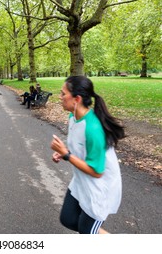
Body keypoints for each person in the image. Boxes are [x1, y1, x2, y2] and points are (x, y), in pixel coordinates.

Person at [50, 75, 125, 234]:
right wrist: (63, 154)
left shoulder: (93, 129)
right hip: (81, 181)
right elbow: (78, 145)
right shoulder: (73, 117)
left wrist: (67, 155)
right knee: (68, 219)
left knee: (86, 233)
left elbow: (97, 172)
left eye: (63, 94)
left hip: (99, 189)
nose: (60, 97)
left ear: (76, 99)